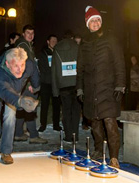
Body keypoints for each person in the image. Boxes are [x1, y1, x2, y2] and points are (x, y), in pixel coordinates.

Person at [76, 6, 126, 168]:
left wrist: (120, 85)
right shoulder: (84, 43)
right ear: (87, 24)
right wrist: (80, 89)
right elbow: (80, 68)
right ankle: (98, 149)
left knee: (110, 123)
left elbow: (119, 63)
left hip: (108, 88)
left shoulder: (111, 39)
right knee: (95, 123)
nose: (96, 23)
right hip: (90, 89)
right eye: (92, 21)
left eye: (98, 20)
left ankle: (113, 157)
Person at [0, 48, 40, 164]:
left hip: (15, 92)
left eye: (22, 65)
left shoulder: (29, 64)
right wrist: (20, 101)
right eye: (16, 66)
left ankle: (6, 152)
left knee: (10, 117)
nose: (20, 69)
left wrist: (35, 87)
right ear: (7, 64)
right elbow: (4, 91)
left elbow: (33, 70)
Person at [14, 24, 48, 144]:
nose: (30, 35)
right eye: (28, 33)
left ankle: (18, 133)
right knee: (30, 106)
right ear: (23, 34)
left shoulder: (24, 45)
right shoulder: (23, 45)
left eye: (32, 33)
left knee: (22, 106)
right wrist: (30, 82)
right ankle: (33, 135)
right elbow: (26, 65)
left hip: (22, 82)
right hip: (27, 82)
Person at [52, 30, 81, 142]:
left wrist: (55, 91)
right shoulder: (78, 47)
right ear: (72, 38)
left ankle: (68, 136)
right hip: (76, 84)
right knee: (76, 112)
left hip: (63, 85)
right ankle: (75, 136)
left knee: (66, 112)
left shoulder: (57, 49)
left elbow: (54, 70)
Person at [37, 34, 62, 132]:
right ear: (48, 42)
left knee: (56, 104)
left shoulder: (59, 52)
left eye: (56, 41)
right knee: (45, 104)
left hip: (56, 83)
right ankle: (43, 124)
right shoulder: (43, 53)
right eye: (52, 41)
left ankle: (56, 124)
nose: (54, 43)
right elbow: (43, 67)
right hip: (46, 82)